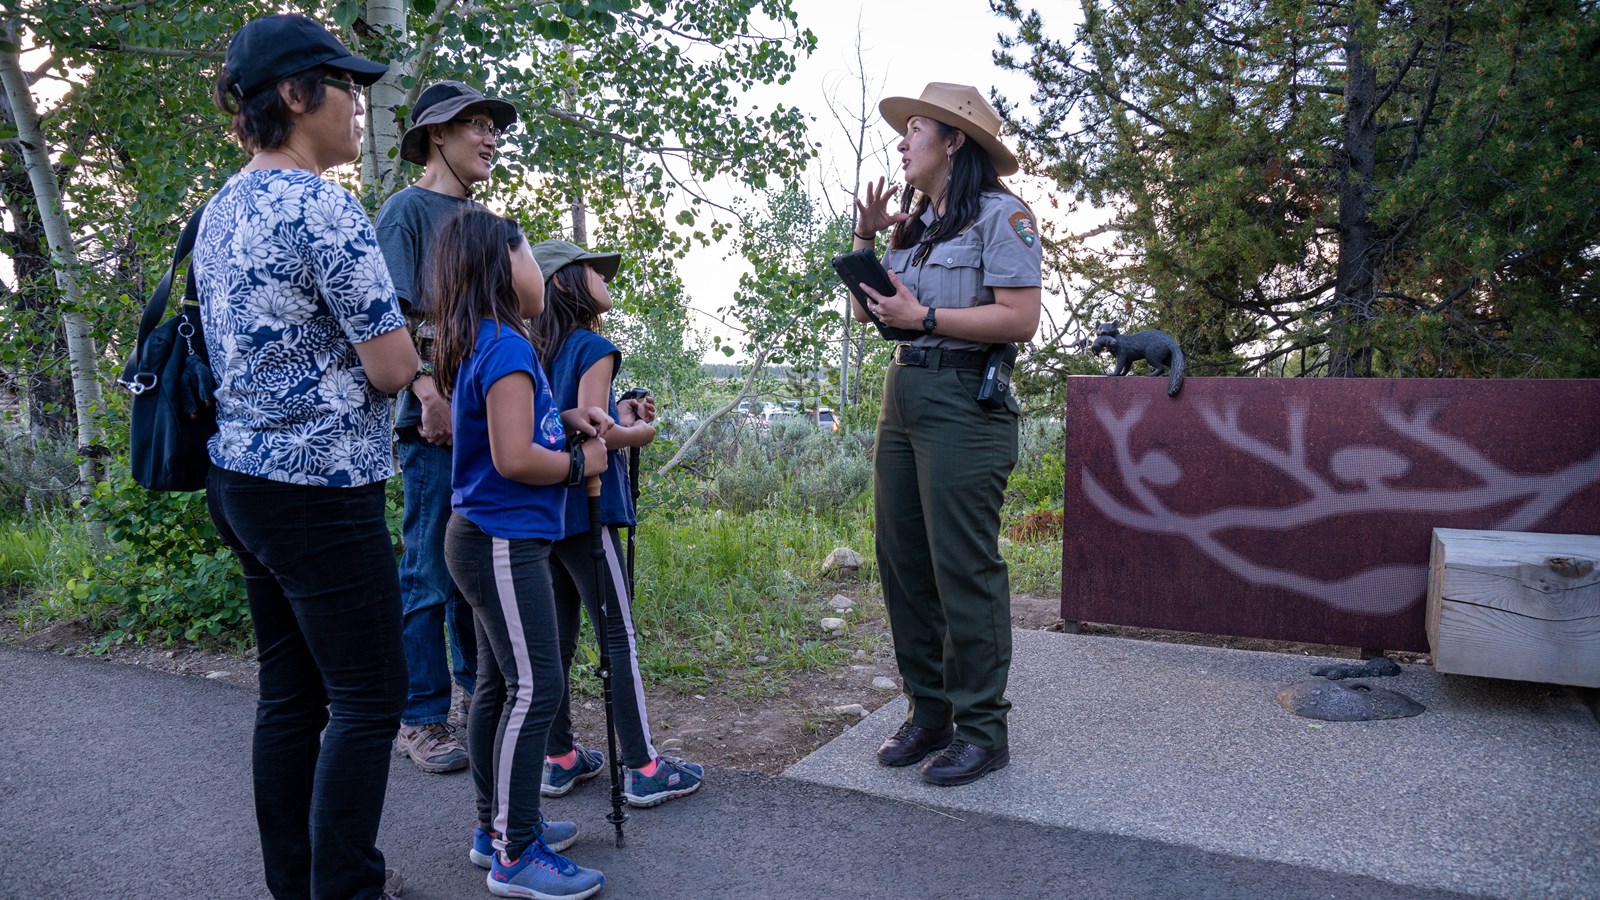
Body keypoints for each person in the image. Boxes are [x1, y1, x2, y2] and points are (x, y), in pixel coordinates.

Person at [199, 14, 420, 898]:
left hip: (244, 479)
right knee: (370, 699)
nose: (359, 108)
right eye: (345, 87)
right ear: (295, 96)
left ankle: (301, 883)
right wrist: (420, 352)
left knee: (290, 696)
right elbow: (391, 363)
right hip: (320, 487)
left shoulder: (219, 209)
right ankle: (349, 889)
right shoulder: (321, 205)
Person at [849, 83, 1043, 786]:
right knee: (903, 561)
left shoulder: (1003, 216)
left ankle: (984, 730)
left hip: (965, 399)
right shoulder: (919, 226)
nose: (902, 142)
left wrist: (927, 319)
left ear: (956, 142)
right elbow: (883, 309)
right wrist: (865, 239)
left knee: (962, 566)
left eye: (916, 129)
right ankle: (930, 713)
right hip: (904, 395)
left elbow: (1019, 318)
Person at [431, 209, 610, 900]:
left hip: (481, 537)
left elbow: (505, 427)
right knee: (539, 686)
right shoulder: (507, 346)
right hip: (504, 540)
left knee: (501, 687)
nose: (540, 268)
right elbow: (513, 458)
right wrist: (580, 459)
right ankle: (515, 851)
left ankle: (496, 828)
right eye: (530, 253)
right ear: (505, 266)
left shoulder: (487, 339)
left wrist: (562, 418)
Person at [529, 240, 705, 808]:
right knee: (617, 637)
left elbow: (561, 421)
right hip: (590, 507)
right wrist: (641, 431)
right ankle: (642, 765)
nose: (604, 278)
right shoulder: (594, 345)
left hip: (544, 511)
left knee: (554, 642)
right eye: (591, 270)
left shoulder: (533, 347)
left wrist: (619, 412)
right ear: (562, 283)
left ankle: (557, 759)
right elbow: (595, 433)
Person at [377, 80, 518, 775]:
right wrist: (429, 395)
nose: (490, 138)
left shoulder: (488, 223)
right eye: (476, 126)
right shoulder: (406, 212)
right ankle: (422, 717)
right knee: (428, 571)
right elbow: (388, 317)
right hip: (433, 429)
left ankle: (478, 701)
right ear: (437, 134)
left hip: (493, 426)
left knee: (478, 575)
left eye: (495, 127)